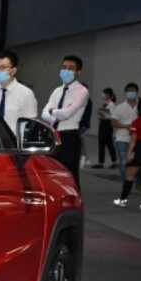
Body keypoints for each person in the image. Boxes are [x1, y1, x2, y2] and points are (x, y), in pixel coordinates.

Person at [41, 55, 90, 185]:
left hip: (69, 137)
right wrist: (55, 112)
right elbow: (44, 114)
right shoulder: (57, 91)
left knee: (69, 175)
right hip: (53, 135)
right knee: (52, 173)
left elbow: (66, 114)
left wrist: (52, 111)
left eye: (71, 68)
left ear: (78, 72)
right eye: (64, 67)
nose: (66, 71)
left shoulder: (82, 91)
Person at [0, 50, 38, 131]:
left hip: (14, 138)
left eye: (3, 68)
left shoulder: (26, 94)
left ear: (13, 71)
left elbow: (31, 124)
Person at [92, 87, 118, 168]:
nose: (102, 95)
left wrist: (102, 113)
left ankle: (105, 163)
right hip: (103, 124)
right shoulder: (105, 104)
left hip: (107, 125)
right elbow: (102, 114)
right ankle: (107, 162)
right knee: (105, 143)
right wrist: (101, 113)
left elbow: (110, 116)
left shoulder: (112, 104)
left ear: (108, 95)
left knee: (106, 144)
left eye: (104, 93)